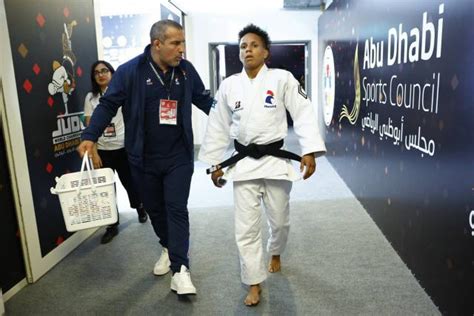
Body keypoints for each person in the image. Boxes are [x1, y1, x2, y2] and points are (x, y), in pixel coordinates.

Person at [77, 20, 214, 295]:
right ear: (157, 44)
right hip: (142, 159)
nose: (181, 49)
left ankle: (180, 269)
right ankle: (167, 247)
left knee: (176, 208)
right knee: (155, 210)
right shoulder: (130, 72)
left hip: (179, 156)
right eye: (176, 43)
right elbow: (107, 105)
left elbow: (204, 100)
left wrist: (238, 123)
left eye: (183, 43)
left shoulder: (185, 71)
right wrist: (89, 136)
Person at [198, 24, 326, 306]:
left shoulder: (282, 79)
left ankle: (276, 250)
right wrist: (215, 162)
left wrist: (310, 150)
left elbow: (303, 111)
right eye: (243, 46)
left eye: (254, 45)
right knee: (245, 228)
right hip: (243, 163)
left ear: (266, 52)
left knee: (279, 221)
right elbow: (218, 125)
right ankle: (254, 282)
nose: (247, 50)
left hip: (275, 160)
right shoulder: (230, 85)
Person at [83, 60, 148, 244]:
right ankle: (112, 224)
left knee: (130, 183)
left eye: (105, 71)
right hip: (103, 150)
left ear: (112, 73)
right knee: (106, 190)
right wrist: (94, 152)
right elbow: (90, 126)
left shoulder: (122, 92)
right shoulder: (90, 98)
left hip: (123, 148)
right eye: (97, 72)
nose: (101, 74)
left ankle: (140, 206)